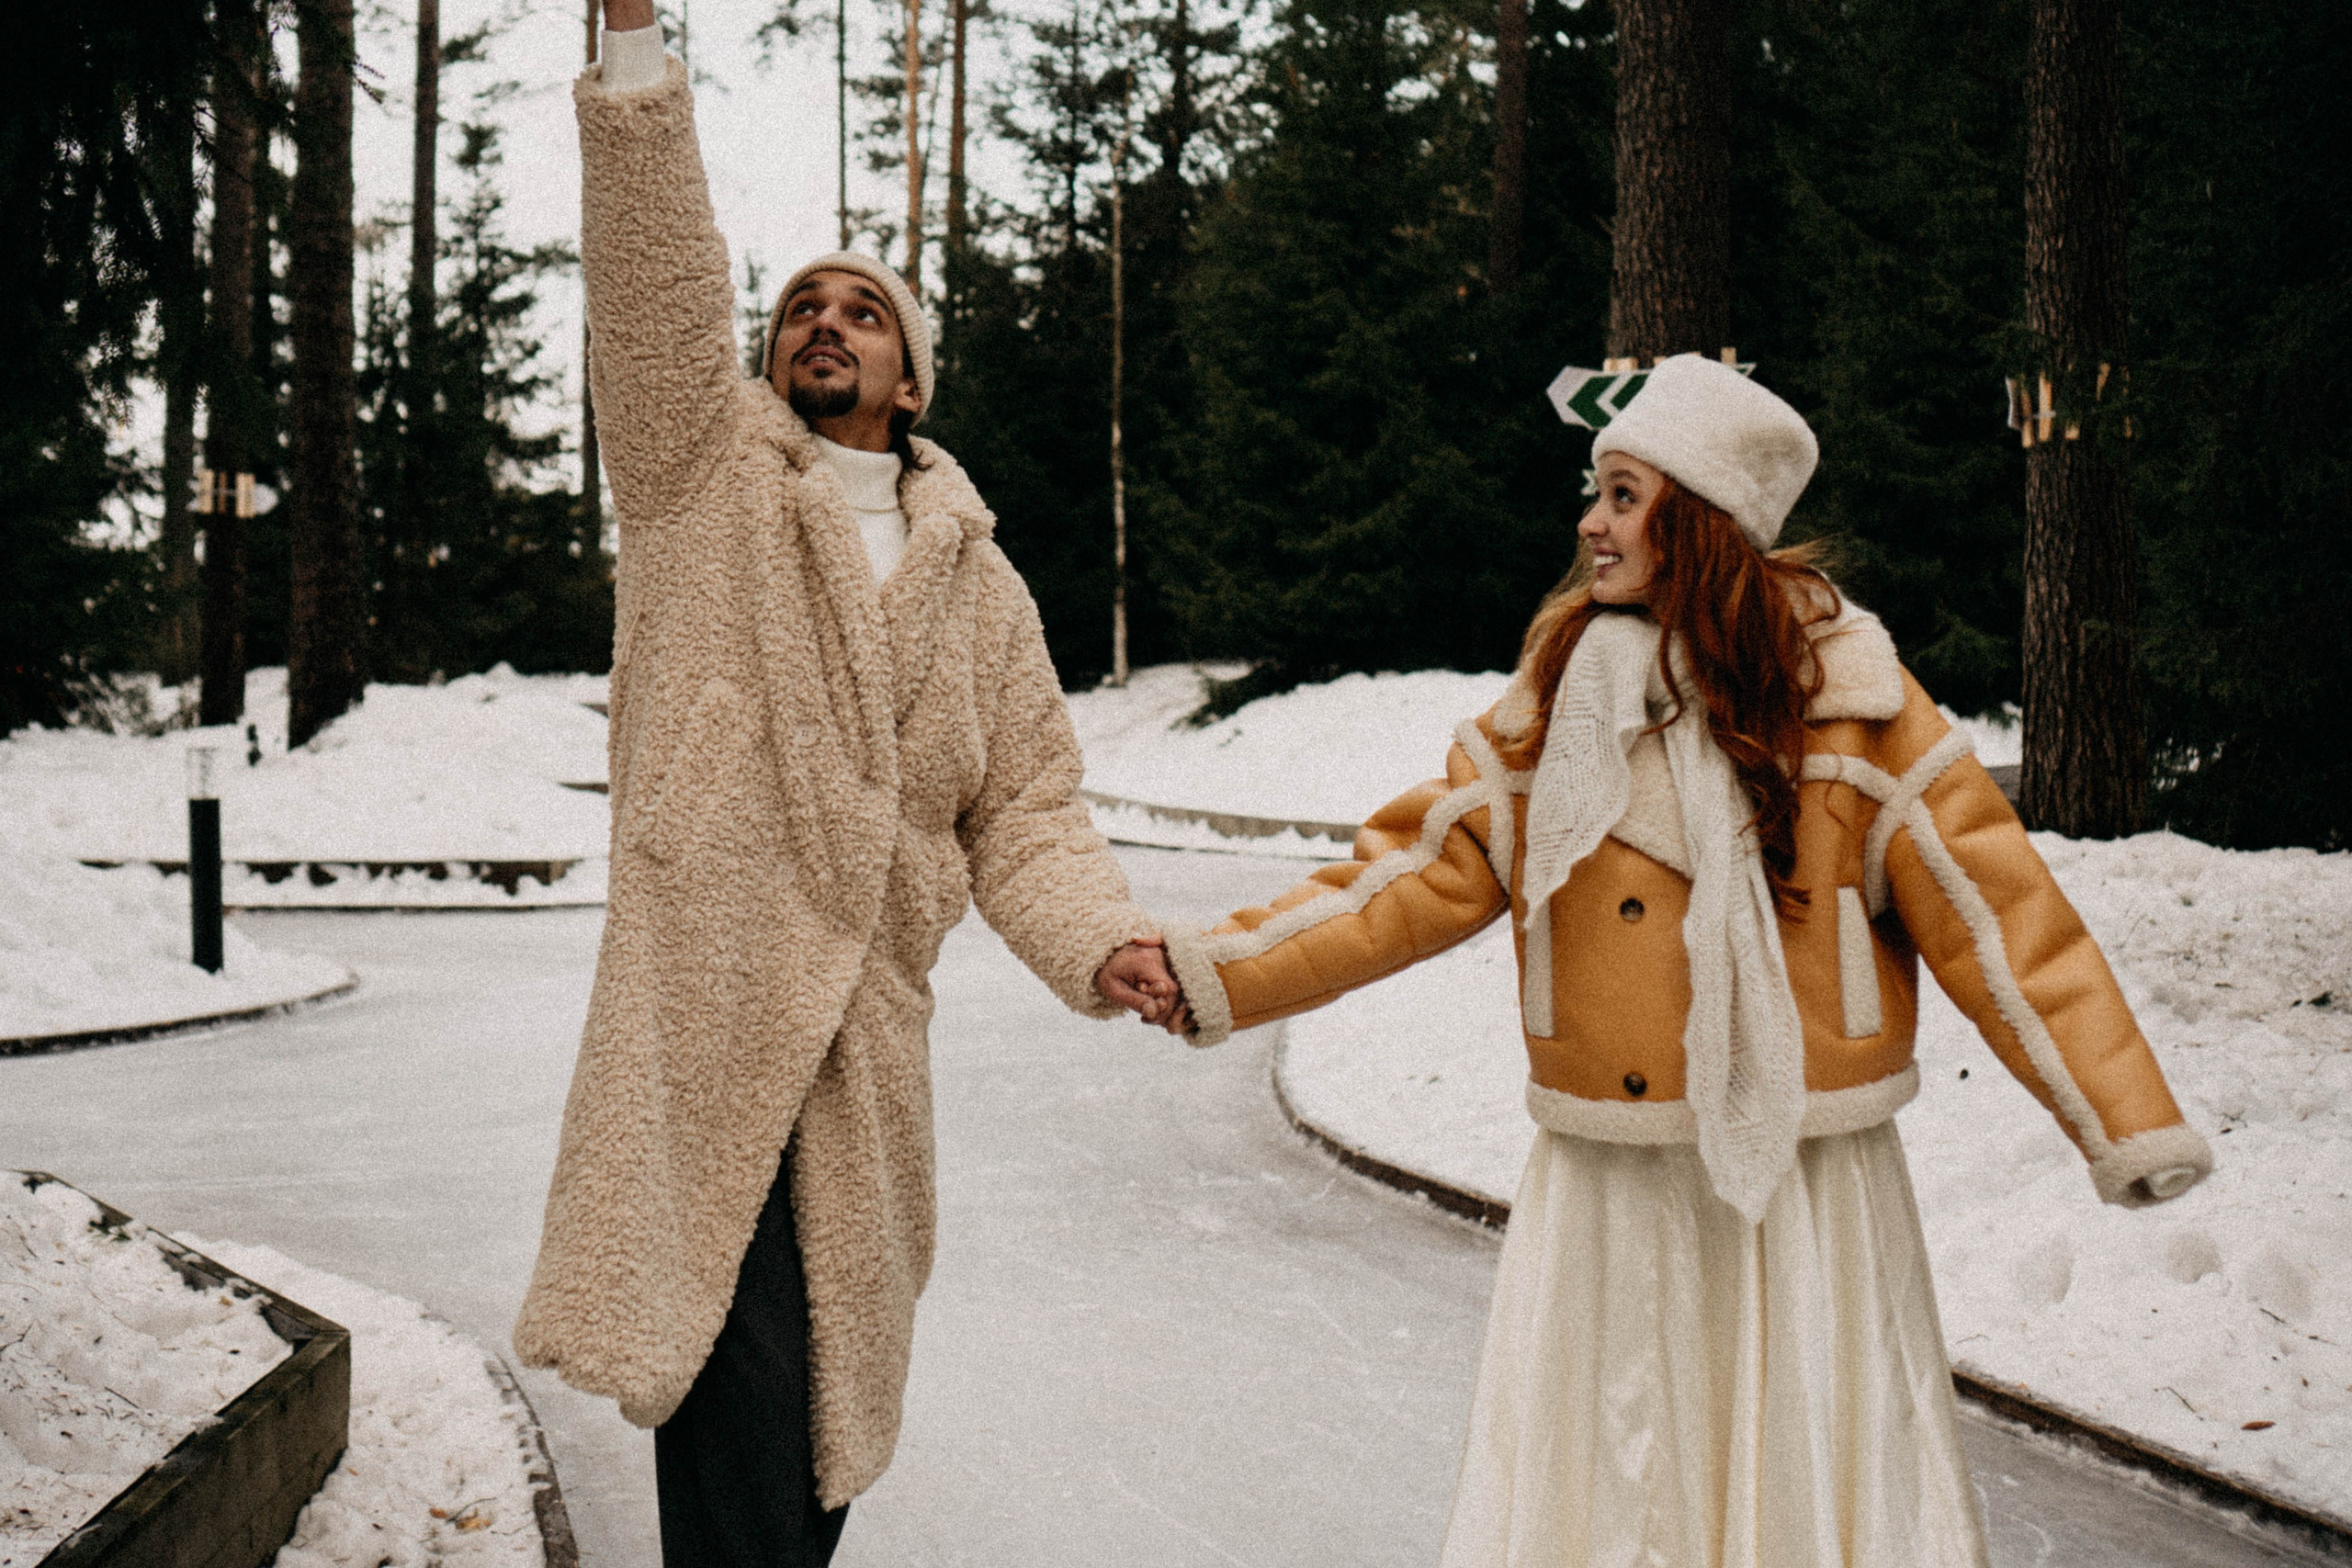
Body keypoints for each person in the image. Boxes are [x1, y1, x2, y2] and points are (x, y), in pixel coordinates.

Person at [1141, 355, 2212, 1566]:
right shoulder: (1555, 709)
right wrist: (1219, 966)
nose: (1588, 522)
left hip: (1801, 1175)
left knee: (1792, 1467)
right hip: (1618, 1170)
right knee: (1622, 1472)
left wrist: (2126, 1121)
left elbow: (2005, 923)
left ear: (1700, 519)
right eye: (1595, 492)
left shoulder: (1859, 704)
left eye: (1622, 494)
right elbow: (1410, 880)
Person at [511, 8, 1181, 1562]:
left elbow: (1025, 812)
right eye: (801, 309)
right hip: (709, 1011)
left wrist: (1104, 941)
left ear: (910, 374)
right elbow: (657, 278)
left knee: (819, 1430)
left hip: (867, 1045)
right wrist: (632, 58)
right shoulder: (699, 483)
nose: (824, 324)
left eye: (862, 312)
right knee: (733, 1397)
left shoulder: (978, 585)